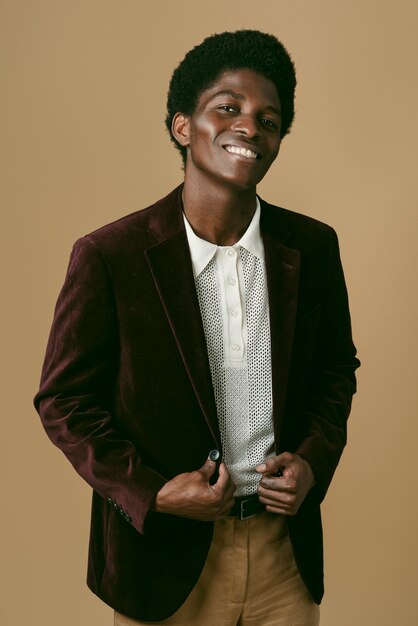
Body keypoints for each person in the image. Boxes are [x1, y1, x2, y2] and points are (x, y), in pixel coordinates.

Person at [34, 30, 360, 626]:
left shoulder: (312, 248)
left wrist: (312, 460)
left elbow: (337, 371)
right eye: (228, 108)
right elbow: (63, 400)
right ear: (183, 126)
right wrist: (151, 493)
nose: (250, 129)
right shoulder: (111, 255)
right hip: (162, 563)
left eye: (269, 119)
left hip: (282, 554)